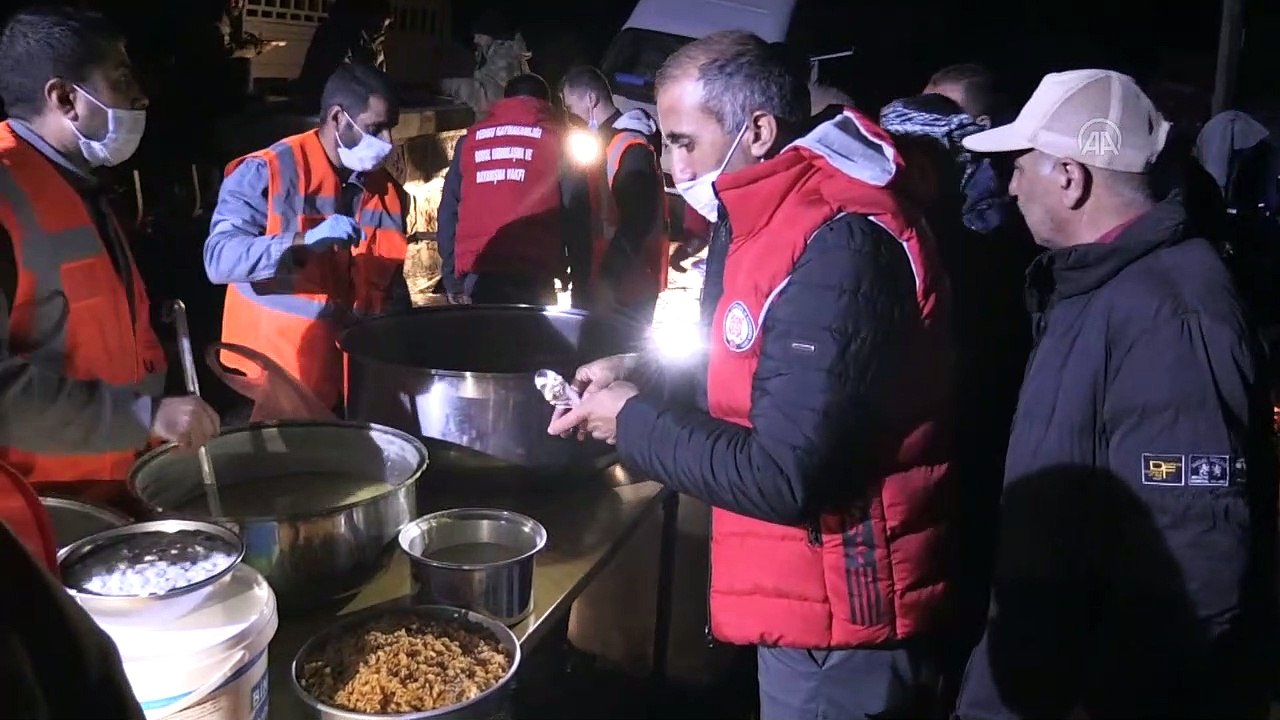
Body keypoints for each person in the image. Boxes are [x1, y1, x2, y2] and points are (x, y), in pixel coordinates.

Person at [547, 31, 955, 719]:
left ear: (757, 130)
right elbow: (755, 365)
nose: (672, 169)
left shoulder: (838, 240)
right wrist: (642, 375)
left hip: (844, 619)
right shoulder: (767, 216)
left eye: (682, 141)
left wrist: (631, 420)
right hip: (800, 597)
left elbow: (784, 473)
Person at [955, 69, 1278, 719]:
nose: (1010, 185)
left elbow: (1195, 565)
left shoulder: (1170, 310)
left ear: (1070, 177)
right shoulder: (1094, 287)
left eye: (1020, 166)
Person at [0, 5, 219, 507]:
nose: (139, 95)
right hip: (32, 509)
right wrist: (144, 416)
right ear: (64, 99)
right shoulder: (7, 193)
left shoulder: (76, 187)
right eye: (120, 79)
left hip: (110, 484)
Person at [204, 62, 410, 415]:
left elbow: (390, 285)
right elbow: (219, 259)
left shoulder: (385, 191)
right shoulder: (267, 171)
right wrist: (301, 243)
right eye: (375, 128)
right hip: (274, 380)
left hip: (349, 379)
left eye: (390, 128)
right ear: (337, 118)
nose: (387, 143)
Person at [436, 73, 589, 306]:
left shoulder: (470, 141)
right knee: (532, 341)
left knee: (485, 341)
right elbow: (575, 214)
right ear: (546, 105)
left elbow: (448, 211)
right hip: (535, 276)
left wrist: (451, 278)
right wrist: (581, 279)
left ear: (505, 101)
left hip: (479, 275)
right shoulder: (558, 142)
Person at [560, 65, 668, 327]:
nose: (569, 116)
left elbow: (636, 221)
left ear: (591, 100)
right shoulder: (607, 144)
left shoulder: (629, 147)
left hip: (624, 285)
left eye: (570, 108)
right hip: (609, 278)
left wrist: (607, 278)